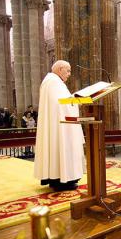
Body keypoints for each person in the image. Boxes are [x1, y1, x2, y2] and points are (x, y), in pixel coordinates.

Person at [34, 60, 85, 191]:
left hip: (58, 126)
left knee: (57, 149)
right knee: (61, 148)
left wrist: (72, 101)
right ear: (60, 69)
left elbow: (60, 103)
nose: (69, 74)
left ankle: (56, 179)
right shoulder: (54, 82)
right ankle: (63, 181)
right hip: (60, 127)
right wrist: (76, 101)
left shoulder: (51, 81)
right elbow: (61, 105)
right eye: (68, 71)